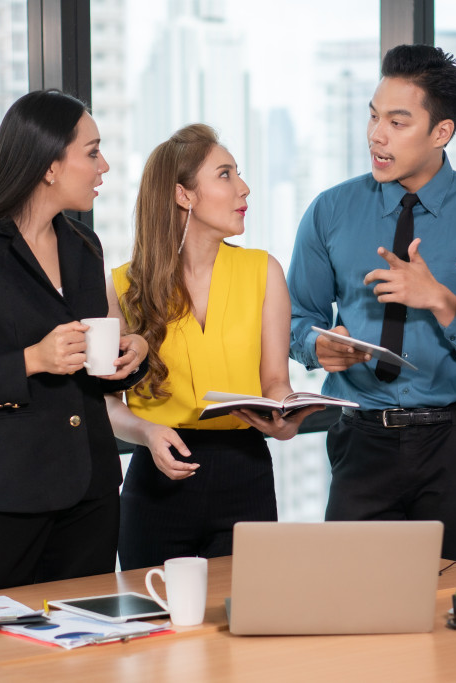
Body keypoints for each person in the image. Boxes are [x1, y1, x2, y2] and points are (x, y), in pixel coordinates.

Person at [287, 44, 456, 565]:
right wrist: (316, 345)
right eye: (374, 117)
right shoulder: (330, 211)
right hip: (360, 441)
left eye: (398, 122)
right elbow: (296, 318)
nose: (377, 135)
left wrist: (441, 302)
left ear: (441, 132)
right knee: (354, 612)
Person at [0, 90, 149, 595]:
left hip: (92, 496)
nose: (105, 165)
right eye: (92, 151)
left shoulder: (84, 246)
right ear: (49, 166)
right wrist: (31, 360)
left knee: (85, 662)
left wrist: (133, 356)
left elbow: (93, 369)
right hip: (4, 500)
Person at [107, 123, 322, 570]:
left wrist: (285, 419)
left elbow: (276, 382)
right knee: (157, 630)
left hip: (245, 474)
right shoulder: (123, 285)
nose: (243, 187)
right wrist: (147, 433)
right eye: (225, 175)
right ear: (184, 195)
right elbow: (107, 405)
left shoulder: (263, 271)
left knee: (248, 624)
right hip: (157, 477)